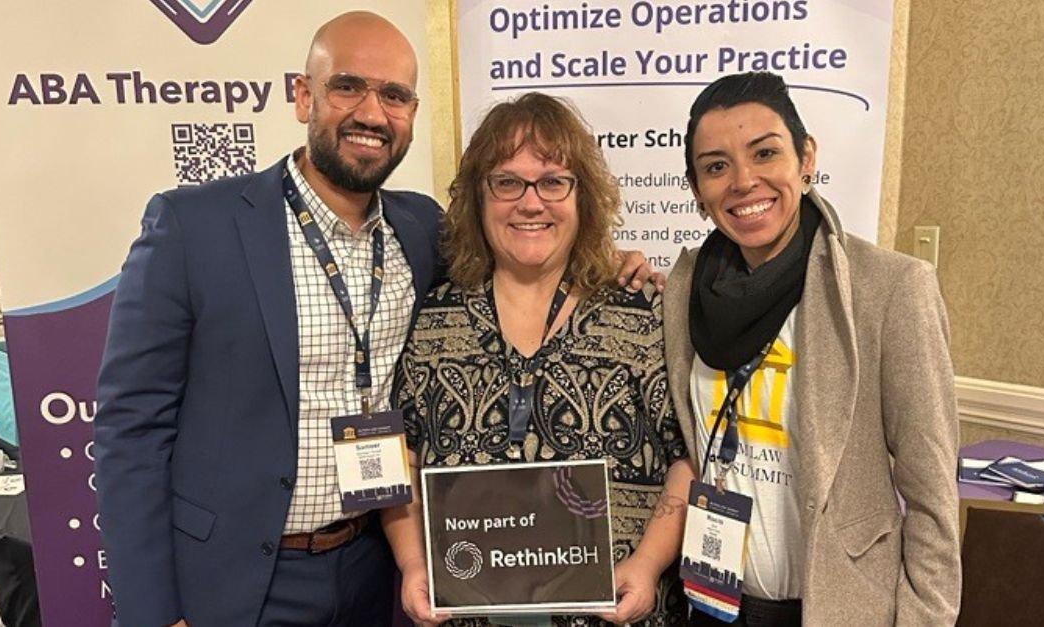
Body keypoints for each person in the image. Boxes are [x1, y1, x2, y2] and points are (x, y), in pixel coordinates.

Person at [94, 12, 659, 626]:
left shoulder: (420, 230)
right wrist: (153, 614)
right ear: (303, 95)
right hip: (231, 578)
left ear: (412, 114)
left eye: (394, 95)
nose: (371, 113)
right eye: (347, 86)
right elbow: (131, 432)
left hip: (370, 569)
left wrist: (610, 262)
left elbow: (527, 239)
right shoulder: (193, 228)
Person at [382, 92, 695, 627]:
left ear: (583, 198)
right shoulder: (435, 315)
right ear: (477, 197)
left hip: (617, 616)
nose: (531, 203)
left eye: (553, 182)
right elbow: (400, 456)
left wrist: (646, 566)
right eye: (507, 182)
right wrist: (413, 565)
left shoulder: (646, 312)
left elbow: (687, 458)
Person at [664, 72, 961, 626]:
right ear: (698, 191)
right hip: (712, 604)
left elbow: (932, 498)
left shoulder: (891, 289)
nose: (743, 181)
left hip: (834, 608)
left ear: (806, 159)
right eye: (716, 166)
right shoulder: (684, 293)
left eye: (765, 153)